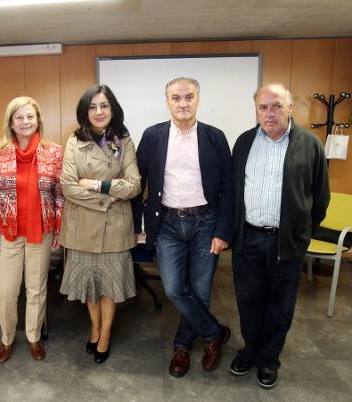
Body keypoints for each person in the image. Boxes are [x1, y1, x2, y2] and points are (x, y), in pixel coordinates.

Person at [230, 83, 330, 389]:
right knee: (248, 301)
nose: (269, 113)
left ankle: (269, 360)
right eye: (263, 107)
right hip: (248, 239)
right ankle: (250, 350)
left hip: (285, 241)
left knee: (280, 305)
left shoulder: (310, 144)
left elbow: (320, 197)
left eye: (276, 106)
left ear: (289, 109)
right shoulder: (245, 141)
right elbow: (234, 190)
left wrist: (301, 235)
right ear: (256, 110)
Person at [133, 77, 234, 378]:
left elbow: (229, 188)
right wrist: (137, 223)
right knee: (175, 288)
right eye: (176, 98)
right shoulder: (152, 136)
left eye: (189, 97)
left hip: (206, 223)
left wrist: (223, 231)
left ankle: (182, 346)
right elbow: (139, 184)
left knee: (200, 291)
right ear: (167, 102)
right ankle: (214, 332)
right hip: (167, 223)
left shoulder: (215, 137)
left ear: (198, 99)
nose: (183, 103)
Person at [59, 84, 141, 364]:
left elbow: (133, 186)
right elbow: (68, 187)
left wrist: (97, 184)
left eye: (104, 105)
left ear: (112, 109)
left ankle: (104, 334)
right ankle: (94, 327)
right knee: (89, 288)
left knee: (109, 287)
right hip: (82, 227)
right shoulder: (75, 141)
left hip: (114, 228)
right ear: (85, 111)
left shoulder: (121, 141)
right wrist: (108, 198)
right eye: (92, 106)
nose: (98, 111)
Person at [0, 96, 63, 363]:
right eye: (19, 117)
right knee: (6, 291)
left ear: (37, 119)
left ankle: (33, 337)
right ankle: (6, 339)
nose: (26, 122)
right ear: (11, 122)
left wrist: (59, 230)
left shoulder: (53, 151)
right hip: (8, 232)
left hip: (41, 231)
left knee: (36, 289)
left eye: (30, 116)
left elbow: (60, 194)